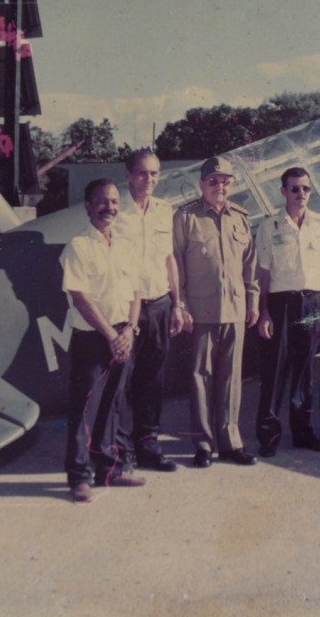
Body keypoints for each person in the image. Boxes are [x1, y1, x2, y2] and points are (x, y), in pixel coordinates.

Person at [60, 178, 145, 504]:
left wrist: (130, 329)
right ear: (87, 205)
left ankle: (112, 470)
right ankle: (79, 478)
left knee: (114, 406)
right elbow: (80, 297)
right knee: (85, 410)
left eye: (113, 202)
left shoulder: (124, 245)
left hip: (123, 334)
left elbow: (135, 292)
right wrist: (112, 335)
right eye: (101, 201)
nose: (109, 207)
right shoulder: (78, 246)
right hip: (93, 338)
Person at [172, 156, 260, 468]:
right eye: (213, 181)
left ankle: (231, 442)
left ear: (231, 184)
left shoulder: (241, 217)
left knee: (231, 377)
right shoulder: (186, 217)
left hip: (235, 309)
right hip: (200, 310)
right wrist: (179, 305)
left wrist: (253, 300)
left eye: (225, 181)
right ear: (202, 184)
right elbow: (177, 266)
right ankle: (204, 444)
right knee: (200, 377)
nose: (219, 186)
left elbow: (249, 263)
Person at [255, 166, 320, 457]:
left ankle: (303, 434)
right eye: (294, 189)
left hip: (313, 303)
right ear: (283, 192)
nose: (301, 194)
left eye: (305, 188)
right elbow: (263, 273)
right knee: (274, 372)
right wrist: (264, 312)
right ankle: (268, 437)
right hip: (281, 305)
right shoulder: (269, 227)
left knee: (305, 373)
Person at [113, 149, 185, 472]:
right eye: (142, 173)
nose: (149, 180)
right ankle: (122, 450)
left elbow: (169, 259)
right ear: (128, 175)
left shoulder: (163, 210)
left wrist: (177, 304)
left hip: (158, 304)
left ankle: (149, 445)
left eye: (155, 174)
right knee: (122, 381)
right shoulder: (115, 211)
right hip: (126, 308)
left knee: (152, 381)